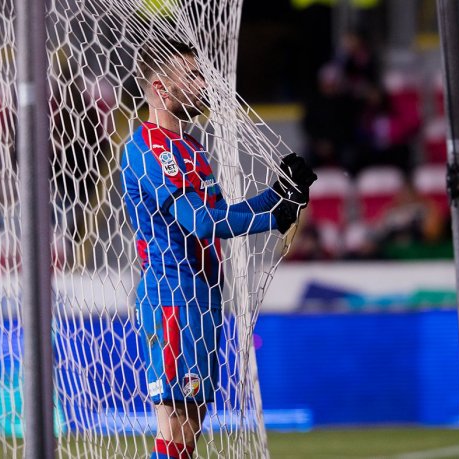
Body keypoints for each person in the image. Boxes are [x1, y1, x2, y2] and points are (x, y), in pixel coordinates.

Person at [121, 39, 316, 459]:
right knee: (175, 426)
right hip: (173, 298)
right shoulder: (150, 148)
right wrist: (276, 216)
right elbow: (203, 222)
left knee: (187, 429)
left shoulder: (190, 147)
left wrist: (277, 196)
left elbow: (218, 213)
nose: (204, 83)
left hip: (203, 298)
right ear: (161, 88)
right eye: (192, 76)